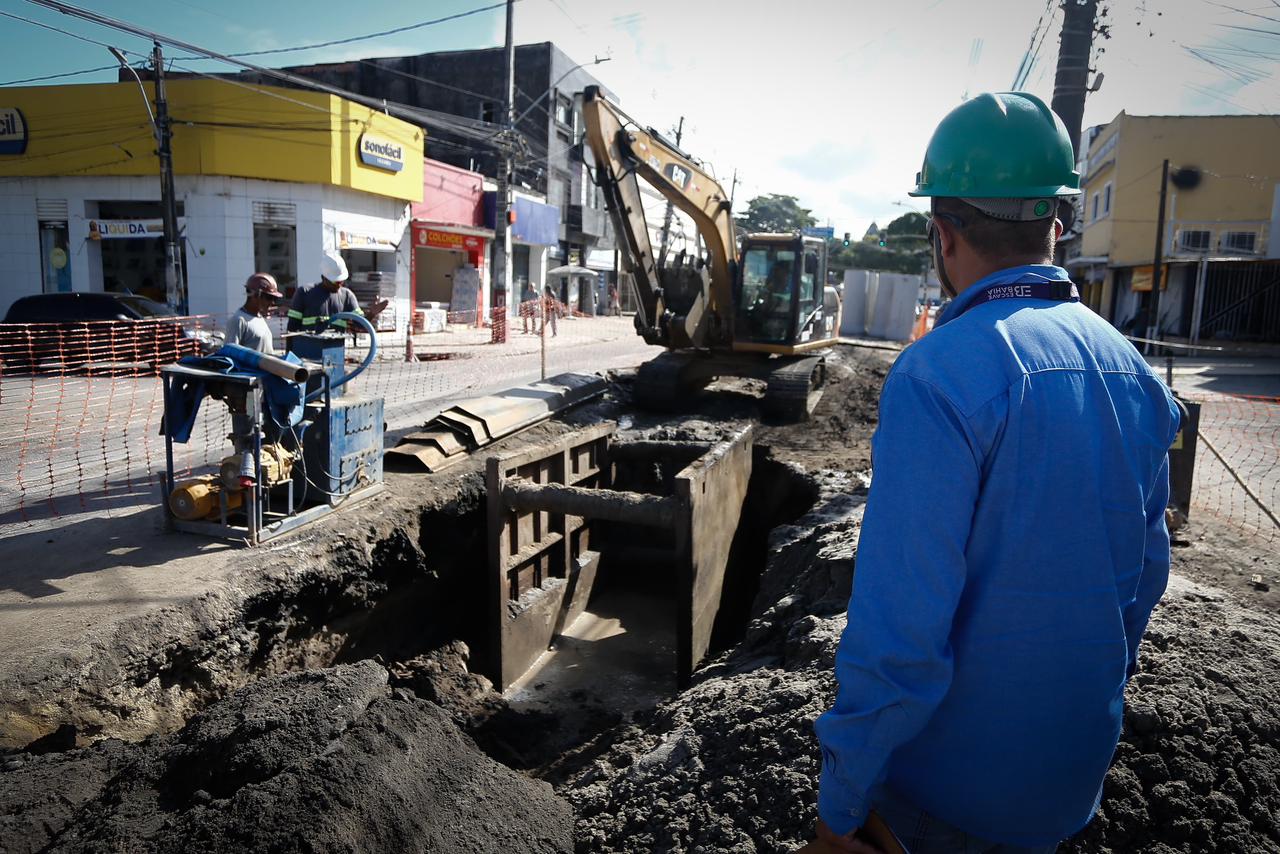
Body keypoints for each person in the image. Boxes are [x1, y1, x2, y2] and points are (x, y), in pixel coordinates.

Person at [813, 92, 1181, 854]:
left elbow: (900, 631)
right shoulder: (1136, 374)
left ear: (942, 233)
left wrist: (840, 804)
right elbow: (1144, 580)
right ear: (1057, 225)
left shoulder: (936, 376)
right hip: (1068, 782)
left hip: (947, 795)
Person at [286, 251, 367, 347]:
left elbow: (362, 323)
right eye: (335, 282)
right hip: (307, 351)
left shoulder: (347, 296)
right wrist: (289, 353)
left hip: (335, 352)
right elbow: (292, 328)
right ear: (323, 277)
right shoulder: (304, 293)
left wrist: (372, 314)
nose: (339, 285)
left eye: (341, 281)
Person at [224, 272, 283, 355]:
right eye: (269, 297)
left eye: (274, 298)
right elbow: (229, 355)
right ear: (255, 295)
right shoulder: (238, 321)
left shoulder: (259, 318)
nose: (272, 302)